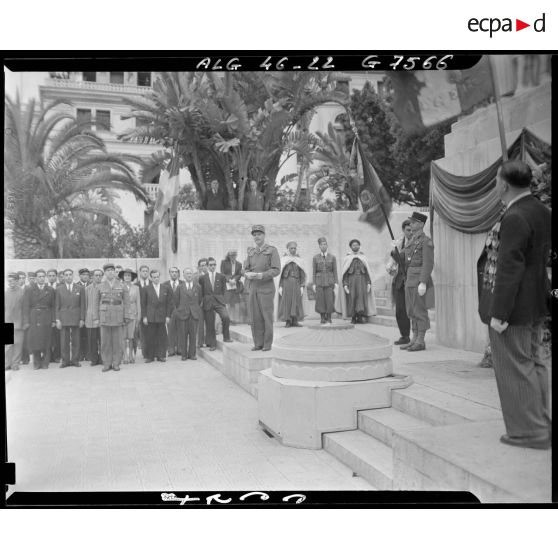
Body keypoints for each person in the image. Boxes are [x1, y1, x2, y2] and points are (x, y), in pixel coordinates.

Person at [477, 160, 551, 450]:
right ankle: (542, 423)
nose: (495, 185)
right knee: (535, 363)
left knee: (515, 368)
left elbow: (510, 267)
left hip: (514, 309)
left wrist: (500, 312)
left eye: (496, 180)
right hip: (535, 304)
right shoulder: (542, 211)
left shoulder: (515, 217)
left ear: (504, 184)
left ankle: (529, 432)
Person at [401, 212, 435, 352]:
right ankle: (414, 338)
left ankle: (421, 340)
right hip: (409, 278)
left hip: (418, 279)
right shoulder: (412, 240)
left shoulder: (426, 241)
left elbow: (428, 263)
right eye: (410, 222)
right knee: (411, 310)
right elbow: (404, 257)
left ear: (421, 224)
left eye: (413, 222)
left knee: (420, 311)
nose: (411, 225)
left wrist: (423, 281)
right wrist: (396, 250)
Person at [244, 225, 281, 351]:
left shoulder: (272, 250)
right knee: (255, 317)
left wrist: (262, 275)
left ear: (264, 235)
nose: (256, 237)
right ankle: (258, 343)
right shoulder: (251, 252)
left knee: (266, 316)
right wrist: (247, 273)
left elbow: (276, 270)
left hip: (266, 288)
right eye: (254, 235)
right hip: (253, 288)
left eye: (259, 234)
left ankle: (267, 344)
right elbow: (246, 268)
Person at [93, 263, 131, 372]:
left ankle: (116, 363)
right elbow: (96, 303)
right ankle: (106, 363)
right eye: (108, 270)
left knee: (117, 342)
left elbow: (127, 303)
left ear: (115, 272)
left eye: (112, 270)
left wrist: (127, 316)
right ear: (104, 273)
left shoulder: (122, 285)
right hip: (104, 316)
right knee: (105, 342)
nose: (110, 272)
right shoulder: (100, 286)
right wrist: (96, 318)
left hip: (118, 316)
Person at [23, 269, 55, 370]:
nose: (41, 278)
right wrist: (26, 321)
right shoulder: (29, 289)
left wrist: (53, 320)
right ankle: (36, 362)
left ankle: (45, 362)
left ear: (45, 278)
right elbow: (25, 306)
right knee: (35, 340)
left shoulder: (50, 289)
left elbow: (53, 306)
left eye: (43, 276)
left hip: (46, 316)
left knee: (46, 339)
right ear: (36, 278)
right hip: (34, 317)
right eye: (39, 277)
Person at [387, 220, 413, 344]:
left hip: (413, 279)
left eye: (412, 230)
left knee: (414, 310)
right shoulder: (398, 243)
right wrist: (390, 267)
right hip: (400, 281)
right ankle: (405, 335)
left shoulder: (416, 242)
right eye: (408, 230)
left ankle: (418, 337)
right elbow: (392, 262)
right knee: (400, 311)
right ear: (403, 230)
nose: (410, 232)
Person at [199, 257, 233, 351]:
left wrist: (225, 301)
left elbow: (224, 290)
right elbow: (201, 291)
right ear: (207, 266)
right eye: (210, 265)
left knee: (226, 317)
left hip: (219, 301)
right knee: (210, 324)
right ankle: (212, 344)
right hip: (208, 302)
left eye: (214, 265)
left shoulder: (221, 276)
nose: (212, 266)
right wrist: (202, 302)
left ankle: (226, 337)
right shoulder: (202, 278)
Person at [141, 269, 173, 363]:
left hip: (162, 316)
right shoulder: (146, 288)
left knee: (161, 337)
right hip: (150, 316)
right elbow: (143, 304)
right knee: (150, 337)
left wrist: (168, 316)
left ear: (160, 277)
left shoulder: (165, 288)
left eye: (157, 277)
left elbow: (169, 303)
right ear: (151, 278)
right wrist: (144, 317)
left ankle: (161, 355)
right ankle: (150, 356)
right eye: (154, 277)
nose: (156, 278)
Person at [55, 269, 86, 367]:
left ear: (73, 276)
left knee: (76, 340)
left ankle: (75, 360)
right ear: (63, 276)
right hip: (63, 318)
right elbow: (57, 306)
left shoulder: (80, 288)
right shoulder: (59, 289)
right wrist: (57, 319)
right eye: (66, 275)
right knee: (64, 341)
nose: (68, 276)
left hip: (76, 318)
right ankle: (65, 361)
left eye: (70, 275)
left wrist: (82, 319)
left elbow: (82, 305)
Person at [341, 239, 376, 324]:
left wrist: (368, 283)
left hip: (362, 280)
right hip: (351, 281)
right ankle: (353, 317)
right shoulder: (347, 258)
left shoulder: (363, 257)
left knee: (361, 298)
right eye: (353, 245)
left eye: (357, 245)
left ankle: (360, 316)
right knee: (352, 298)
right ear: (350, 247)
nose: (355, 246)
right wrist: (345, 284)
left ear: (359, 246)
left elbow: (367, 271)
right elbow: (345, 273)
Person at [175, 268, 203, 360]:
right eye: (187, 273)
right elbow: (176, 301)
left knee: (193, 335)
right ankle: (184, 354)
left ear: (193, 275)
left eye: (190, 273)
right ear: (183, 275)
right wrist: (180, 311)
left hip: (194, 314)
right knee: (183, 335)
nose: (189, 275)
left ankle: (192, 354)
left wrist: (195, 309)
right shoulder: (180, 287)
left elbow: (199, 300)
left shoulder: (198, 286)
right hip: (183, 314)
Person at [278, 241, 306, 327]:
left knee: (296, 301)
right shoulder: (284, 260)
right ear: (288, 249)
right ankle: (288, 321)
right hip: (287, 282)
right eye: (291, 248)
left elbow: (302, 273)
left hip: (297, 282)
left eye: (294, 248)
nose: (293, 250)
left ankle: (295, 321)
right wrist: (281, 286)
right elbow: (281, 275)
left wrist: (302, 285)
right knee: (287, 302)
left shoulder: (299, 260)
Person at [312, 237, 338, 324]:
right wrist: (314, 283)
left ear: (327, 246)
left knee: (329, 300)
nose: (323, 246)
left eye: (325, 244)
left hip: (330, 281)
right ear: (319, 246)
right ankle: (322, 317)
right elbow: (314, 271)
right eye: (321, 244)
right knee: (320, 300)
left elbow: (335, 271)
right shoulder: (315, 258)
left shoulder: (332, 257)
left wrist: (336, 282)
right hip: (319, 281)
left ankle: (329, 317)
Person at [119, 268, 141, 364]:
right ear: (123, 277)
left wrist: (139, 316)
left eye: (129, 276)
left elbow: (138, 303)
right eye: (125, 276)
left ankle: (131, 354)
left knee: (131, 336)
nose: (127, 277)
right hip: (122, 314)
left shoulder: (136, 288)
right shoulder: (119, 287)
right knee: (123, 336)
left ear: (132, 277)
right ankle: (125, 355)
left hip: (133, 314)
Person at [5, 272, 25, 371]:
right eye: (8, 281)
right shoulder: (6, 292)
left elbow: (25, 308)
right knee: (8, 345)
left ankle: (15, 364)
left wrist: (24, 322)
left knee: (18, 344)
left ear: (17, 281)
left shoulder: (22, 292)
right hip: (7, 321)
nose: (10, 282)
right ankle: (7, 363)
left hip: (18, 322)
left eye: (12, 281)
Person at [163, 267, 184, 357]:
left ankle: (180, 349)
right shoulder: (164, 284)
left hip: (181, 311)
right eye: (172, 272)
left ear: (178, 273)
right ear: (169, 273)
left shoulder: (183, 283)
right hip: (170, 311)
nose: (174, 273)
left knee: (180, 330)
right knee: (171, 330)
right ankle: (171, 349)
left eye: (176, 272)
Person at [85, 269, 103, 366]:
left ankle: (102, 358)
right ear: (92, 276)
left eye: (100, 275)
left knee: (102, 340)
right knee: (92, 340)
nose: (98, 277)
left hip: (102, 318)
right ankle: (94, 359)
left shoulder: (105, 288)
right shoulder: (87, 288)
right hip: (90, 318)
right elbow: (86, 303)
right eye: (96, 275)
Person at [47, 268, 61, 362]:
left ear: (56, 276)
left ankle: (57, 356)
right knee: (48, 337)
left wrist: (57, 318)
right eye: (50, 276)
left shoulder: (61, 286)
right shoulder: (44, 287)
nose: (52, 278)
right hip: (47, 315)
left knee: (58, 337)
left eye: (53, 276)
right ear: (47, 277)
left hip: (59, 314)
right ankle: (48, 356)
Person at [77, 268, 91, 361]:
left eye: (87, 275)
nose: (85, 276)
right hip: (79, 314)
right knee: (79, 335)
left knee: (89, 335)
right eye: (83, 275)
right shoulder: (76, 286)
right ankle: (80, 354)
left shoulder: (92, 285)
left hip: (90, 313)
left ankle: (89, 354)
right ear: (80, 276)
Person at [194, 258, 208, 348]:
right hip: (200, 302)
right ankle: (200, 342)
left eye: (205, 265)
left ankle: (209, 341)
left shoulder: (211, 275)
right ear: (199, 267)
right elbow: (195, 290)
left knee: (210, 322)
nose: (203, 267)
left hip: (210, 302)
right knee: (200, 323)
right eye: (201, 265)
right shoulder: (196, 277)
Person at [137, 265, 151, 356]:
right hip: (140, 312)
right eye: (143, 271)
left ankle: (152, 352)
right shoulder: (136, 285)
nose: (145, 272)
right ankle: (145, 353)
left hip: (152, 311)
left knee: (152, 333)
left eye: (146, 271)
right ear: (140, 272)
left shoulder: (153, 283)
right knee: (143, 333)